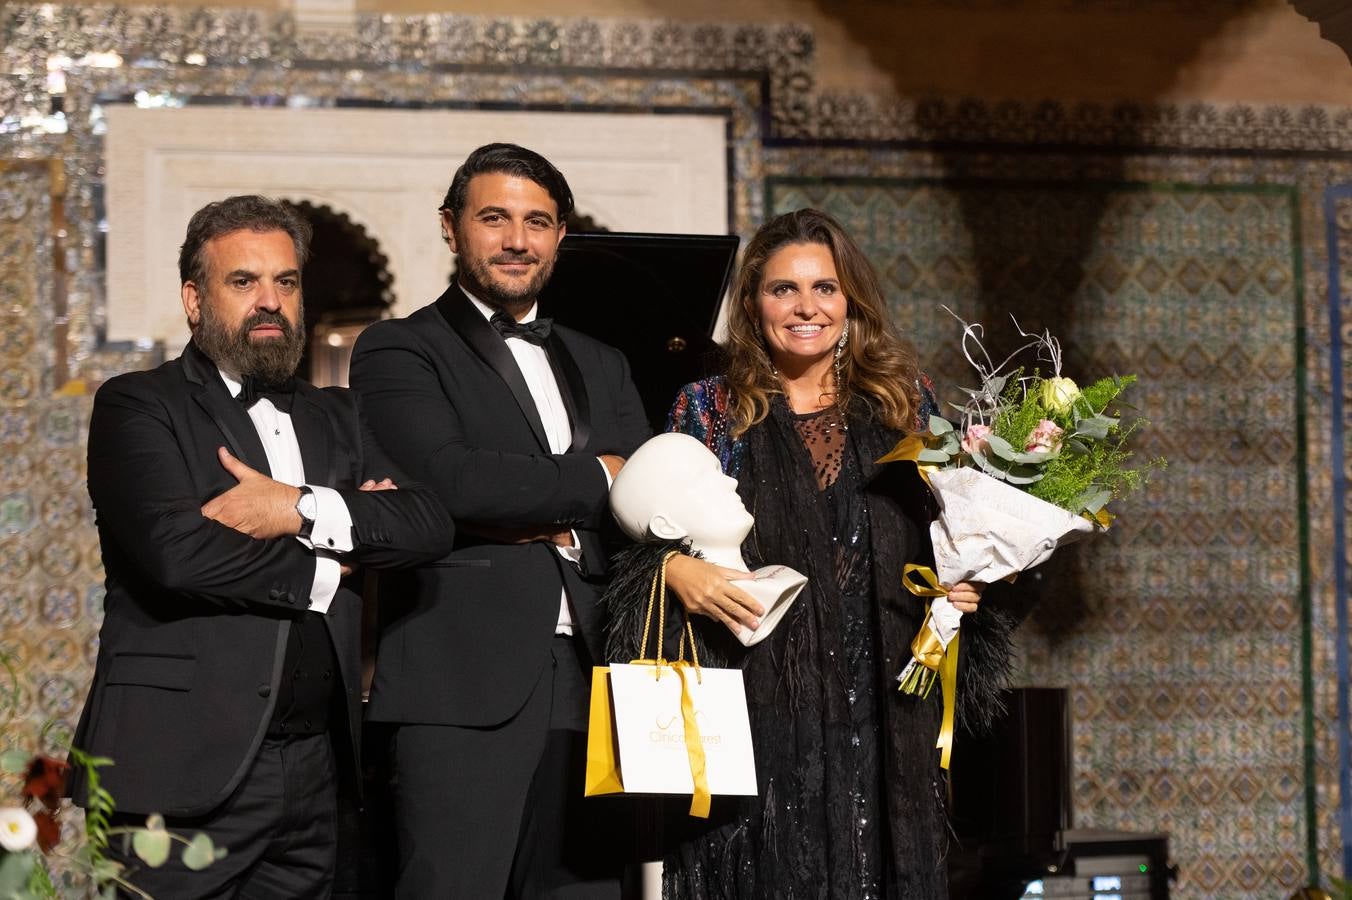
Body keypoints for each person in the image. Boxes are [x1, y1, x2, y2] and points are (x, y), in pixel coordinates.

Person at [610, 208, 1013, 899]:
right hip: (759, 703)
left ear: (851, 301)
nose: (806, 308)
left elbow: (951, 535)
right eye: (783, 290)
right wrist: (674, 569)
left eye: (825, 288)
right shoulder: (708, 409)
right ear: (753, 304)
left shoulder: (904, 405)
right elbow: (648, 538)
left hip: (887, 704)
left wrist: (966, 590)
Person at [70, 195, 455, 898]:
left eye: (285, 281)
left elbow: (427, 522)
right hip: (177, 770)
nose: (269, 301)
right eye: (242, 282)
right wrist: (335, 559)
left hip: (318, 773)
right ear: (194, 299)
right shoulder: (138, 405)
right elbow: (176, 552)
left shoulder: (343, 415)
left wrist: (297, 508)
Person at [348, 143, 650, 898]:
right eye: (495, 218)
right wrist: (597, 480)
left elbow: (650, 502)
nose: (517, 239)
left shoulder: (604, 359)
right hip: (460, 681)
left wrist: (547, 511)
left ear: (559, 235)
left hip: (595, 674)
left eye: (537, 222)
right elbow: (454, 483)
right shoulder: (400, 348)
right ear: (451, 228)